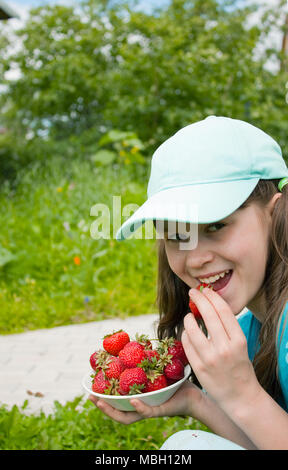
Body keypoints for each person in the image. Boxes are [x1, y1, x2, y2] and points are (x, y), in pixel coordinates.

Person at [89, 116, 288, 450]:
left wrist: (243, 395)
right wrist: (195, 401)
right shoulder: (249, 329)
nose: (195, 259)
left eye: (216, 226)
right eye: (177, 235)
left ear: (274, 211)